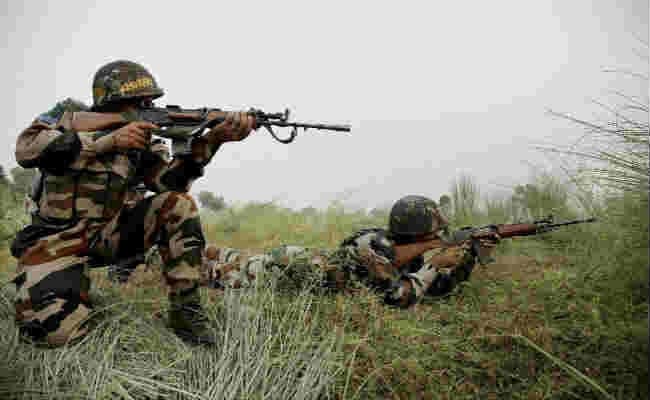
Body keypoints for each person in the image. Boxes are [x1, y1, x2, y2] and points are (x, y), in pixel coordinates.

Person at [11, 60, 255, 346]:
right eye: (139, 102)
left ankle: (186, 315)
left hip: (107, 236)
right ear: (111, 103)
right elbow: (26, 149)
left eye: (150, 101)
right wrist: (107, 142)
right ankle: (65, 287)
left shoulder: (141, 141)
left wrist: (214, 140)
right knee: (55, 337)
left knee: (178, 204)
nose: (148, 107)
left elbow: (168, 184)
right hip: (54, 242)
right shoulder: (65, 118)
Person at [203, 195, 500, 307]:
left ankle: (214, 251)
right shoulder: (372, 245)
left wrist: (469, 257)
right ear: (418, 232)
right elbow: (398, 297)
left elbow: (440, 290)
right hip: (286, 268)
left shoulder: (409, 255)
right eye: (434, 234)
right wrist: (435, 263)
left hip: (297, 262)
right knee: (217, 275)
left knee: (235, 256)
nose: (439, 237)